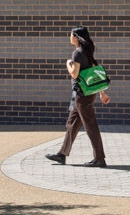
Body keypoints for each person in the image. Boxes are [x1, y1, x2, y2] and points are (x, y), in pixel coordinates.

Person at [45, 26, 110, 167]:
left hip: (82, 96)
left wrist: (68, 64)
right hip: (86, 95)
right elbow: (94, 73)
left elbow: (74, 74)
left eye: (70, 34)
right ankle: (62, 155)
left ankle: (99, 159)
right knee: (72, 124)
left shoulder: (77, 53)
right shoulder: (87, 52)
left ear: (75, 37)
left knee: (90, 126)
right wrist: (102, 93)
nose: (69, 37)